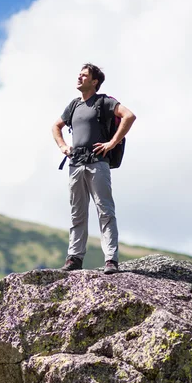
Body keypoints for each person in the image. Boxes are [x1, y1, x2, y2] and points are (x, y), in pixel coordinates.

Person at [52, 63, 136, 274]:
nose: (79, 78)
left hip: (98, 163)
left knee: (105, 210)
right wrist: (63, 146)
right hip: (76, 163)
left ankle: (110, 260)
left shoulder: (104, 101)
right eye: (79, 75)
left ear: (94, 81)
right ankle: (74, 258)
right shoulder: (73, 106)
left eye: (84, 75)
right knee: (77, 212)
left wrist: (112, 143)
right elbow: (56, 126)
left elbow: (129, 116)